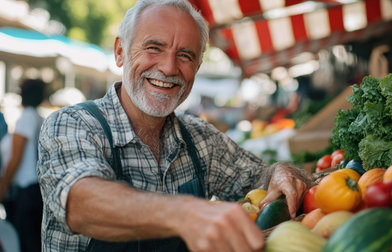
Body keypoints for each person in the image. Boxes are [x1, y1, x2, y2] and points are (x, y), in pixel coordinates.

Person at [37, 0, 313, 251]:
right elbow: (81, 204)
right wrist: (185, 214)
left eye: (185, 55)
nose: (169, 68)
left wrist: (282, 172)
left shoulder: (201, 139)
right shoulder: (72, 125)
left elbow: (258, 175)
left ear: (198, 65)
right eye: (154, 48)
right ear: (120, 52)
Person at [0, 78, 45, 252]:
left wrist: (3, 185)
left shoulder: (26, 118)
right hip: (35, 188)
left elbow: (16, 156)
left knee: (24, 242)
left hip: (25, 188)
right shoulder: (38, 118)